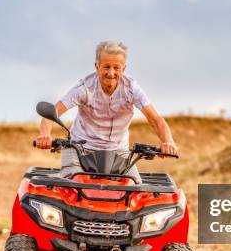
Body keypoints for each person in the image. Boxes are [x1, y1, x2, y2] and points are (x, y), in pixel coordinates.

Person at [35, 40, 178, 183]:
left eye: (116, 67)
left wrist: (168, 141)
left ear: (124, 68)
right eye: (106, 67)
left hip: (119, 153)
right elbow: (52, 113)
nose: (111, 73)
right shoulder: (84, 89)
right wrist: (44, 135)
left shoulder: (132, 89)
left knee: (135, 191)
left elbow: (155, 119)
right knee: (74, 188)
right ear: (97, 66)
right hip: (80, 150)